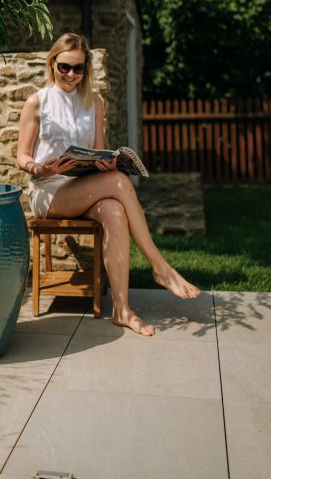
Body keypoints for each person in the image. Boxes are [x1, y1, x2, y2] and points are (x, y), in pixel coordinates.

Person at [16, 32, 202, 336]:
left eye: (78, 68)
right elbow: (21, 156)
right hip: (48, 191)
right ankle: (160, 267)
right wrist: (41, 167)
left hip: (84, 186)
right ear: (52, 64)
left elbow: (98, 152)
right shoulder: (37, 102)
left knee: (115, 211)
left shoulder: (95, 103)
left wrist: (105, 163)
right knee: (117, 182)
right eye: (64, 67)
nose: (71, 75)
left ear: (86, 69)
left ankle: (122, 310)